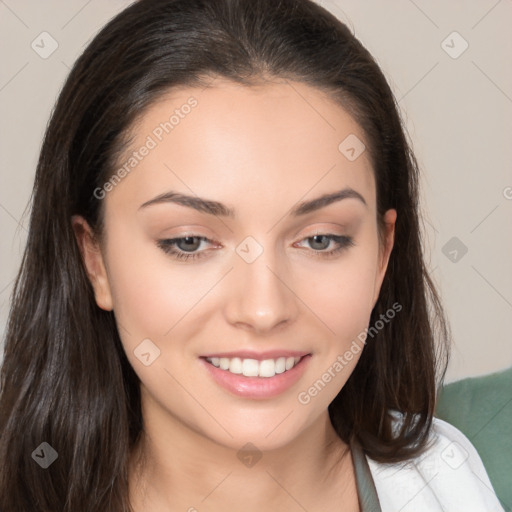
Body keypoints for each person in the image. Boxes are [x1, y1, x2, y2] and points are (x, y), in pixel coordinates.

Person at [0, 0, 505, 510]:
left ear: (382, 255)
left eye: (320, 239)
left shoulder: (485, 463)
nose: (264, 310)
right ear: (95, 259)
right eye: (190, 242)